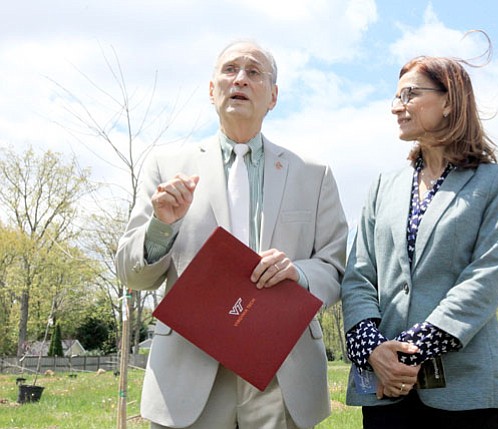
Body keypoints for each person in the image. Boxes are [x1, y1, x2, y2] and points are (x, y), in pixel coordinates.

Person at [115, 40, 348, 429]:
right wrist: (162, 225)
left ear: (273, 96)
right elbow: (132, 274)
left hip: (282, 374)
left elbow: (336, 267)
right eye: (229, 69)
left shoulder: (314, 174)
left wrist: (300, 274)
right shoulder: (166, 167)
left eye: (254, 72)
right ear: (211, 90)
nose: (240, 78)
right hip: (190, 373)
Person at [341, 53, 498, 429]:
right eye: (396, 97)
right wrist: (374, 351)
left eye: (409, 95)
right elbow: (358, 276)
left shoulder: (497, 182)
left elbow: (485, 277)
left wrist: (411, 351)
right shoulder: (381, 186)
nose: (396, 107)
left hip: (466, 393)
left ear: (449, 100)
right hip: (386, 392)